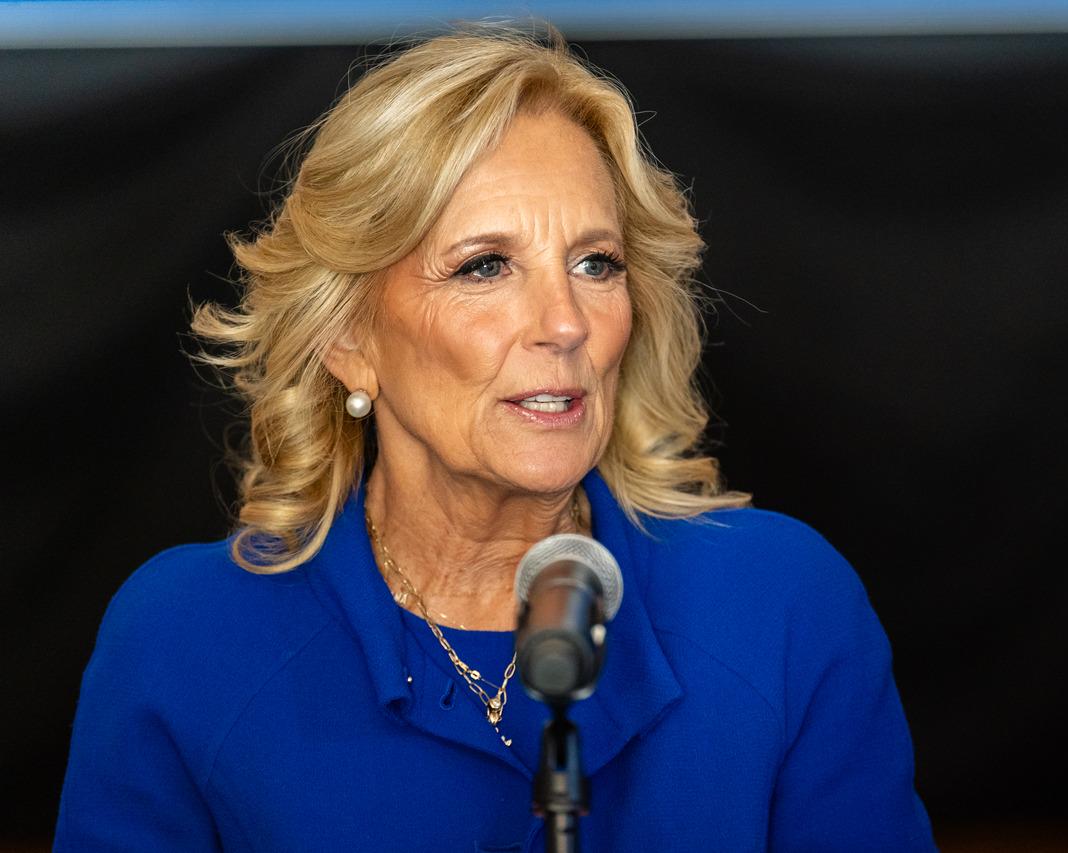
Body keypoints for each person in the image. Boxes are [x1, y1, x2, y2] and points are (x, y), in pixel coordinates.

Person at [55, 24, 935, 852]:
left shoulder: (781, 605)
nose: (566, 322)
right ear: (348, 338)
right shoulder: (184, 638)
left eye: (596, 263)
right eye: (485, 266)